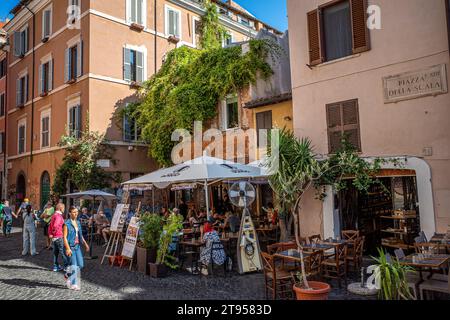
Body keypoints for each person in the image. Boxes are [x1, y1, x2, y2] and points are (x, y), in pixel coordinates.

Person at [63, 206, 90, 290]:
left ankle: (67, 274)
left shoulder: (78, 222)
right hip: (70, 247)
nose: (76, 214)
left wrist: (85, 244)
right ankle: (73, 284)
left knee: (81, 265)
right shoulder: (66, 224)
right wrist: (67, 248)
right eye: (74, 212)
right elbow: (64, 237)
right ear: (70, 213)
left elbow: (80, 235)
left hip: (77, 247)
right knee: (74, 266)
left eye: (77, 212)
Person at [48, 203, 68, 272]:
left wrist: (51, 234)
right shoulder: (58, 216)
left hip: (54, 237)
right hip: (58, 236)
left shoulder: (54, 215)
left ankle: (55, 266)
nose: (64, 209)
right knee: (63, 252)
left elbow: (50, 226)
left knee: (55, 253)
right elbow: (55, 226)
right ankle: (66, 266)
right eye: (64, 208)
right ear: (60, 208)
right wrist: (54, 233)